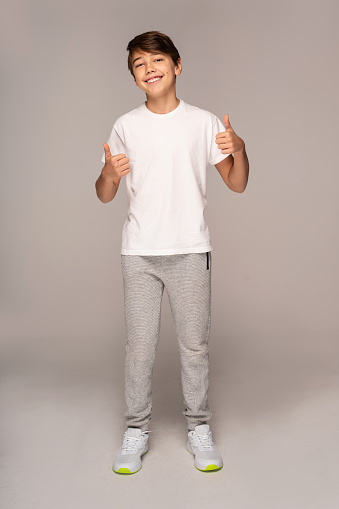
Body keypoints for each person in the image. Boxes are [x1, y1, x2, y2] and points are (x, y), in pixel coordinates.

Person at [95, 30, 249, 475]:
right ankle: (136, 430)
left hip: (189, 251)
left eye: (157, 60)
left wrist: (240, 148)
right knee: (139, 348)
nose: (149, 69)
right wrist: (108, 173)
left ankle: (199, 428)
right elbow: (105, 194)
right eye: (139, 64)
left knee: (193, 347)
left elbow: (237, 182)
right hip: (139, 254)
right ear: (134, 77)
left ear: (176, 66)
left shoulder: (202, 123)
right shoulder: (126, 126)